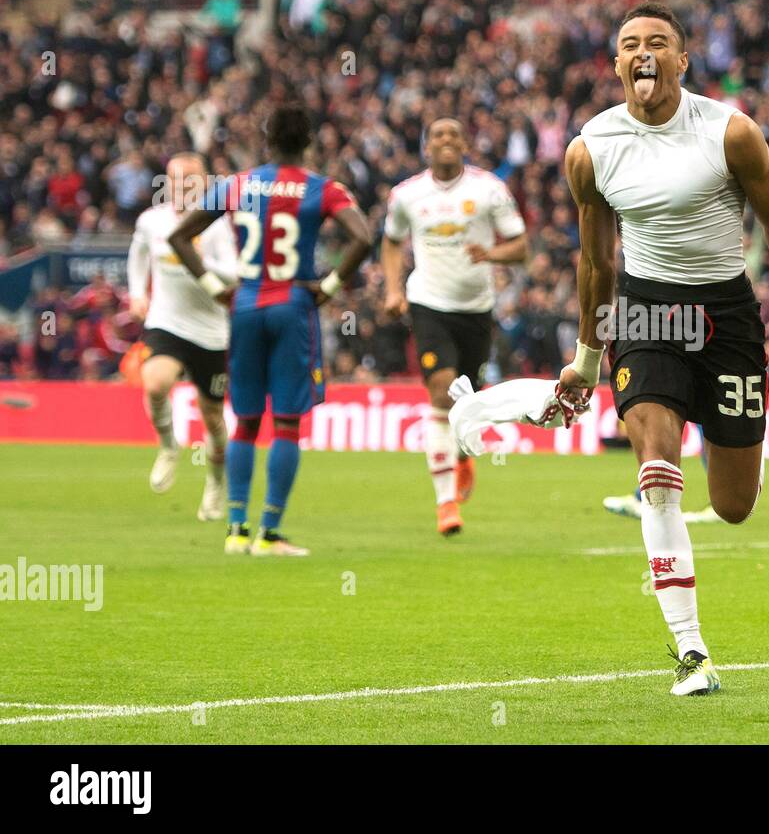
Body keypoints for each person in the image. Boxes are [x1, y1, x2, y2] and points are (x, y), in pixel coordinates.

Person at [557, 2, 769, 696]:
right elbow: (594, 263)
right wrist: (586, 359)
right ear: (617, 64)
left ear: (683, 60)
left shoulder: (731, 133)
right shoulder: (591, 148)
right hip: (647, 312)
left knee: (734, 505)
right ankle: (691, 651)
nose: (643, 53)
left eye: (659, 42)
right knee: (655, 462)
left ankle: (741, 451)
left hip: (727, 317)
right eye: (630, 44)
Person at [168, 103, 372, 555]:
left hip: (244, 304)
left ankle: (236, 530)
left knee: (244, 421)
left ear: (266, 141)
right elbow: (364, 236)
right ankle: (269, 534)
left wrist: (214, 287)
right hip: (292, 305)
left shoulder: (238, 184)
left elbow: (178, 236)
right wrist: (332, 285)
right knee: (285, 424)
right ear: (309, 143)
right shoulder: (322, 188)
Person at [380, 118, 528, 536]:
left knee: (467, 399)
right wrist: (393, 290)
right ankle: (445, 504)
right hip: (428, 303)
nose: (446, 140)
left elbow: (521, 247)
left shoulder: (489, 190)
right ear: (427, 147)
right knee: (442, 390)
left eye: (453, 134)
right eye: (437, 135)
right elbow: (390, 242)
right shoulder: (406, 195)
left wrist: (493, 254)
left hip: (477, 310)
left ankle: (463, 455)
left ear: (464, 143)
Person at [126, 152, 238, 519]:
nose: (182, 186)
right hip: (167, 321)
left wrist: (199, 259)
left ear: (205, 183)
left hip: (210, 331)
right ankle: (168, 445)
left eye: (190, 179)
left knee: (213, 420)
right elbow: (137, 254)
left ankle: (216, 483)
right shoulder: (152, 221)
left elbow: (234, 275)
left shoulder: (217, 226)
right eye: (176, 179)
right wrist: (138, 293)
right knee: (155, 383)